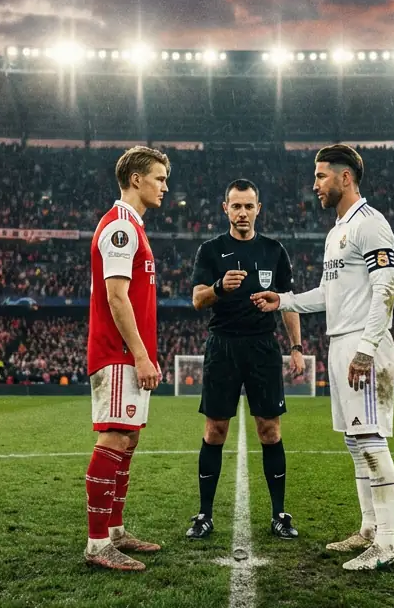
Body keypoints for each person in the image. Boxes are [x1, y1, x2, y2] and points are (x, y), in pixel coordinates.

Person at [252, 144, 394, 571]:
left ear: (345, 178)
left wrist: (367, 349)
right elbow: (328, 294)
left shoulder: (371, 225)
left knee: (371, 439)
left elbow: (385, 290)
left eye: (320, 176)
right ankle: (369, 529)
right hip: (339, 342)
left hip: (361, 344)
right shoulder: (337, 231)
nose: (314, 185)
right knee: (355, 442)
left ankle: (387, 543)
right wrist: (284, 299)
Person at [185, 179, 306, 541]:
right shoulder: (210, 250)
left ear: (258, 209)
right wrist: (220, 288)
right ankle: (204, 514)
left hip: (262, 348)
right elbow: (196, 299)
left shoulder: (274, 250)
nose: (242, 213)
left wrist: (296, 347)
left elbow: (286, 301)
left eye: (248, 206)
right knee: (215, 431)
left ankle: (279, 514)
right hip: (222, 346)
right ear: (225, 209)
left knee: (270, 431)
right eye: (235, 206)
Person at [83, 145, 170, 571]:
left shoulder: (133, 225)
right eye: (159, 178)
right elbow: (117, 298)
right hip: (118, 353)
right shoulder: (121, 226)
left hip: (129, 353)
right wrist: (139, 355)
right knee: (114, 437)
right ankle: (98, 544)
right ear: (136, 179)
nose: (164, 187)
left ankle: (115, 532)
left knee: (128, 439)